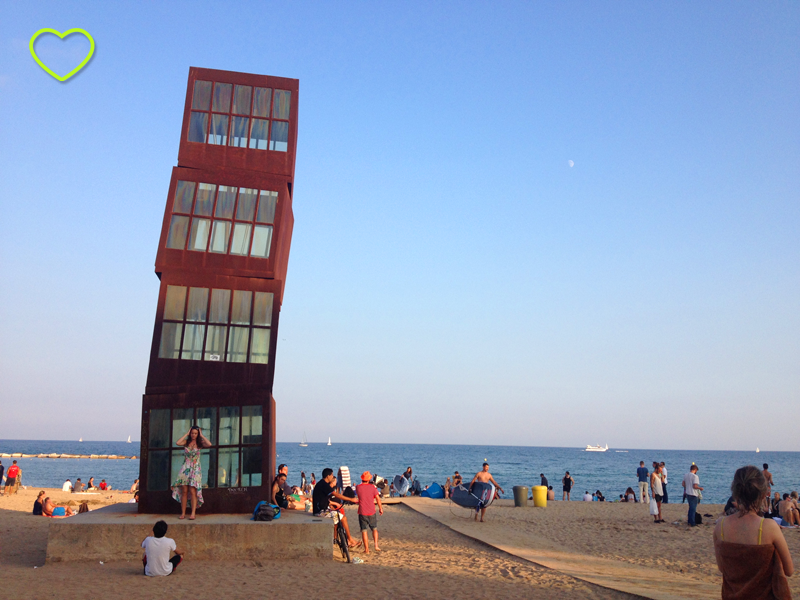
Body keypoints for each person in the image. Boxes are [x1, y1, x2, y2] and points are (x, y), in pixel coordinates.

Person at [713, 465, 793, 598]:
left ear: (735, 493)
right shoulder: (769, 527)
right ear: (762, 495)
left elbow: (722, 568)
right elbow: (789, 571)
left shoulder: (720, 526)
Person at [172, 425, 212, 520]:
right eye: (192, 433)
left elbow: (209, 444)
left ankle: (193, 513)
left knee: (193, 490)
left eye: (195, 433)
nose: (194, 435)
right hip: (185, 467)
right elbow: (178, 442)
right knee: (184, 491)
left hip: (195, 469)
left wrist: (201, 435)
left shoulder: (200, 443)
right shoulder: (186, 442)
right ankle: (183, 513)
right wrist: (186, 434)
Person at [312, 468, 359, 547]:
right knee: (343, 518)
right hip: (320, 512)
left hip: (322, 509)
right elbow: (337, 495)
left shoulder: (322, 484)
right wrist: (351, 499)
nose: (332, 477)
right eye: (332, 475)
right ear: (328, 476)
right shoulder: (324, 484)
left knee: (338, 516)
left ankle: (336, 538)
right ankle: (349, 539)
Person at [355, 471, 383, 554]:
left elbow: (359, 496)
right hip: (371, 511)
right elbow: (378, 498)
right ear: (369, 479)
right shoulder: (372, 488)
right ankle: (376, 545)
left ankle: (366, 549)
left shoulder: (358, 487)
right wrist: (380, 508)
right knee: (374, 529)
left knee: (364, 531)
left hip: (362, 511)